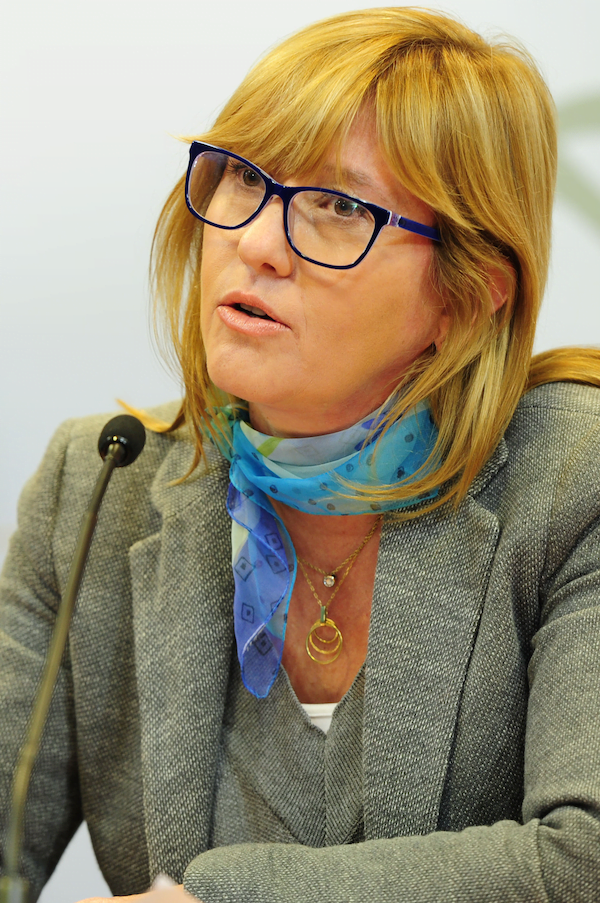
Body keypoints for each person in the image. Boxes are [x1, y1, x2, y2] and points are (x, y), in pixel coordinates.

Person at [2, 6, 600, 902]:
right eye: (244, 176)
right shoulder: (97, 483)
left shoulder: (574, 480)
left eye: (337, 206)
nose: (254, 242)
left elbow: (584, 860)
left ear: (467, 295)